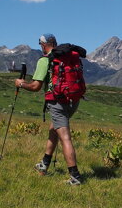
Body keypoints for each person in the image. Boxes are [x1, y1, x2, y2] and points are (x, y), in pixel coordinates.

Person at [15, 33, 86, 185]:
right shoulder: (68, 56)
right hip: (74, 99)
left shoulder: (45, 60)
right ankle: (44, 164)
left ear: (43, 44)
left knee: (65, 137)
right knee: (54, 129)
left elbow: (35, 86)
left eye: (40, 44)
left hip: (57, 102)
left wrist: (21, 84)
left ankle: (75, 176)